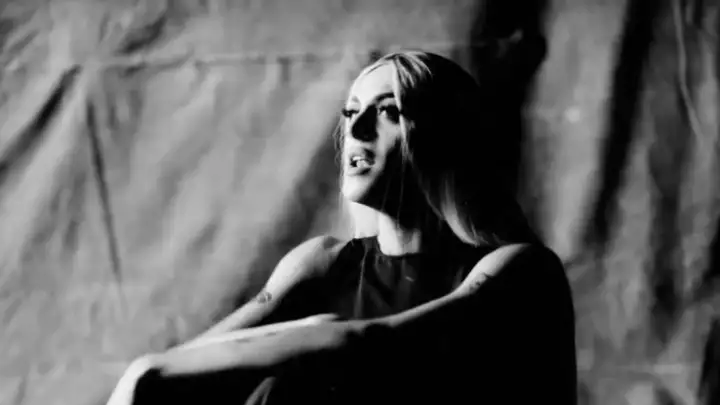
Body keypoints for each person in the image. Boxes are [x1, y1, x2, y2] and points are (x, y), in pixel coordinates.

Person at [107, 49, 577, 405]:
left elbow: (374, 345)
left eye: (389, 111)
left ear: (445, 135)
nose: (357, 129)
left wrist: (315, 330)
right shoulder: (323, 264)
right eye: (352, 112)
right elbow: (186, 366)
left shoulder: (520, 270)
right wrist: (143, 375)